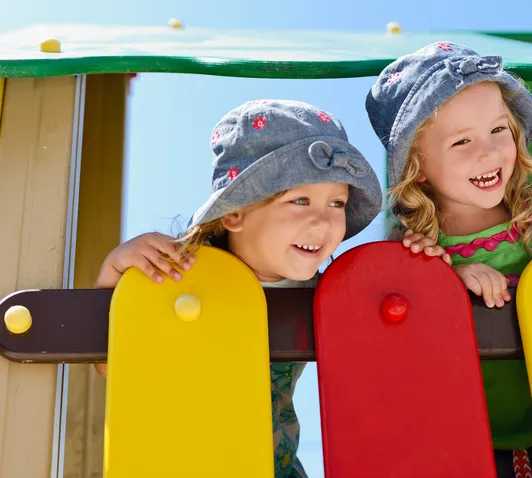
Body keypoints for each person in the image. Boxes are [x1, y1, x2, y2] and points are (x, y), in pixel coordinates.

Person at [94, 99, 447, 477]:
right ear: (234, 213)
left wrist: (414, 264)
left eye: (336, 203)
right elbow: (107, 366)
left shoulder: (324, 292)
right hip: (183, 462)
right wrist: (115, 270)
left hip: (274, 464)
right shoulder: (181, 276)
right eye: (300, 200)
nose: (322, 221)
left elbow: (388, 335)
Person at [365, 42, 532, 477]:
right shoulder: (416, 242)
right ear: (417, 166)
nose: (489, 153)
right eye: (461, 141)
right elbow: (404, 330)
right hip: (468, 436)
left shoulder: (531, 212)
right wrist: (447, 279)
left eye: (498, 130)